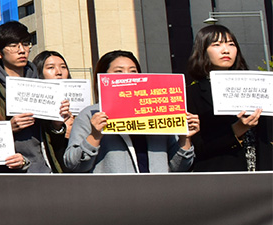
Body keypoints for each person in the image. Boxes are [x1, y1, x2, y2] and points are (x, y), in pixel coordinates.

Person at [65, 50, 199, 173]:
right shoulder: (91, 114)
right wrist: (94, 136)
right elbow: (74, 165)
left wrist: (185, 139)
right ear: (103, 78)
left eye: (133, 71)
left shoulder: (159, 111)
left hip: (157, 195)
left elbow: (180, 168)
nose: (127, 77)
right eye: (119, 71)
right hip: (112, 196)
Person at [185, 24, 271, 172]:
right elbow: (198, 147)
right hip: (222, 177)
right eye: (217, 44)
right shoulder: (193, 93)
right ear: (202, 51)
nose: (226, 50)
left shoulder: (258, 86)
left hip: (264, 174)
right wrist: (237, 129)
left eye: (231, 44)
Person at [0, 21, 62, 173]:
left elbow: (54, 138)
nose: (22, 50)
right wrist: (8, 128)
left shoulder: (44, 85)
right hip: (9, 172)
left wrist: (57, 124)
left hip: (45, 169)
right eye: (13, 46)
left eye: (25, 44)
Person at [32, 49, 75, 171]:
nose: (59, 72)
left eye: (63, 67)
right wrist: (58, 129)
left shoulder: (81, 106)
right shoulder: (34, 110)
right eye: (51, 67)